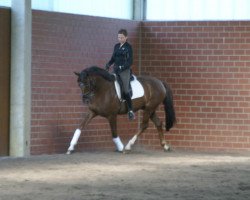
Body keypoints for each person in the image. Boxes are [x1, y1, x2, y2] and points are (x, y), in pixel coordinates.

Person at [105, 29, 135, 120]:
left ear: (126, 37)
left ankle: (130, 111)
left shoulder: (128, 47)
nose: (120, 39)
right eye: (118, 37)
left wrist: (122, 67)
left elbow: (130, 61)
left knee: (126, 89)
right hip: (116, 69)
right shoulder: (116, 46)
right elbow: (113, 58)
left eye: (122, 37)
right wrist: (109, 64)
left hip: (124, 71)